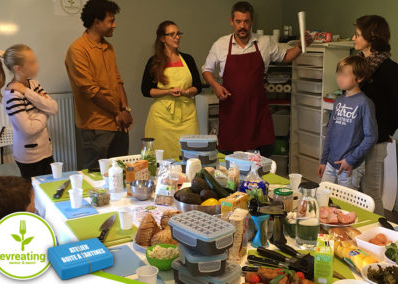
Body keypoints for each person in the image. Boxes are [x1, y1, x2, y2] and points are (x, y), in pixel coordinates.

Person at [202, 1, 311, 157]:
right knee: (230, 159)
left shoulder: (265, 42)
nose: (242, 26)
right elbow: (207, 70)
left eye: (246, 21)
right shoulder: (221, 44)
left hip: (257, 111)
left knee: (263, 156)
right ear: (231, 21)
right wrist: (216, 86)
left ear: (252, 21)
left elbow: (285, 57)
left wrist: (300, 47)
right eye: (238, 21)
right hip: (232, 112)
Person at [65, 0, 133, 170]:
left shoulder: (108, 48)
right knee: (95, 179)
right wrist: (118, 112)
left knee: (120, 176)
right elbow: (90, 91)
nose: (114, 25)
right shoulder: (78, 50)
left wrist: (125, 110)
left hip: (118, 123)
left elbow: (118, 81)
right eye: (110, 21)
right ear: (96, 22)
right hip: (96, 127)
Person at [353, 15, 398, 214]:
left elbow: (395, 106)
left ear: (371, 38)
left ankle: (382, 230)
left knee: (370, 190)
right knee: (352, 188)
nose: (353, 38)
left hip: (376, 138)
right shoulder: (357, 66)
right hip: (355, 137)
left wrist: (386, 131)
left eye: (357, 35)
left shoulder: (389, 70)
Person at [141, 21, 202, 159]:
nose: (177, 37)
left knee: (190, 155)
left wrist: (186, 92)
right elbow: (146, 90)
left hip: (187, 117)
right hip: (162, 118)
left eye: (178, 34)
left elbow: (197, 86)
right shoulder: (154, 62)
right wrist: (167, 91)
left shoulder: (188, 59)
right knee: (162, 157)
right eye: (172, 34)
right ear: (162, 38)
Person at [0, 44, 58, 180]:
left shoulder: (34, 84)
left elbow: (54, 107)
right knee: (34, 195)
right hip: (29, 158)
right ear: (18, 69)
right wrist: (44, 112)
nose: (36, 65)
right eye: (31, 63)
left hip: (46, 151)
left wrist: (26, 91)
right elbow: (28, 130)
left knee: (49, 189)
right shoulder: (11, 95)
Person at [318, 56, 377, 189]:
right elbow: (330, 132)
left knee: (345, 207)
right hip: (330, 164)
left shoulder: (365, 103)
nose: (340, 78)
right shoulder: (339, 100)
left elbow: (371, 137)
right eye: (339, 74)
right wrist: (324, 160)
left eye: (345, 75)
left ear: (360, 78)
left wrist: (350, 159)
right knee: (322, 199)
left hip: (350, 167)